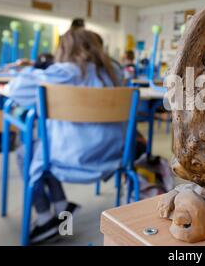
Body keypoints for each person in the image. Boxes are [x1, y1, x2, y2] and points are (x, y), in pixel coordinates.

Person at [8, 28, 124, 244]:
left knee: (26, 153)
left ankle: (45, 219)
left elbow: (16, 90)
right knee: (42, 148)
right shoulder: (115, 74)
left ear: (65, 48)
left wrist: (36, 67)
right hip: (112, 159)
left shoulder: (64, 71)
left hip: (68, 158)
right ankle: (62, 209)